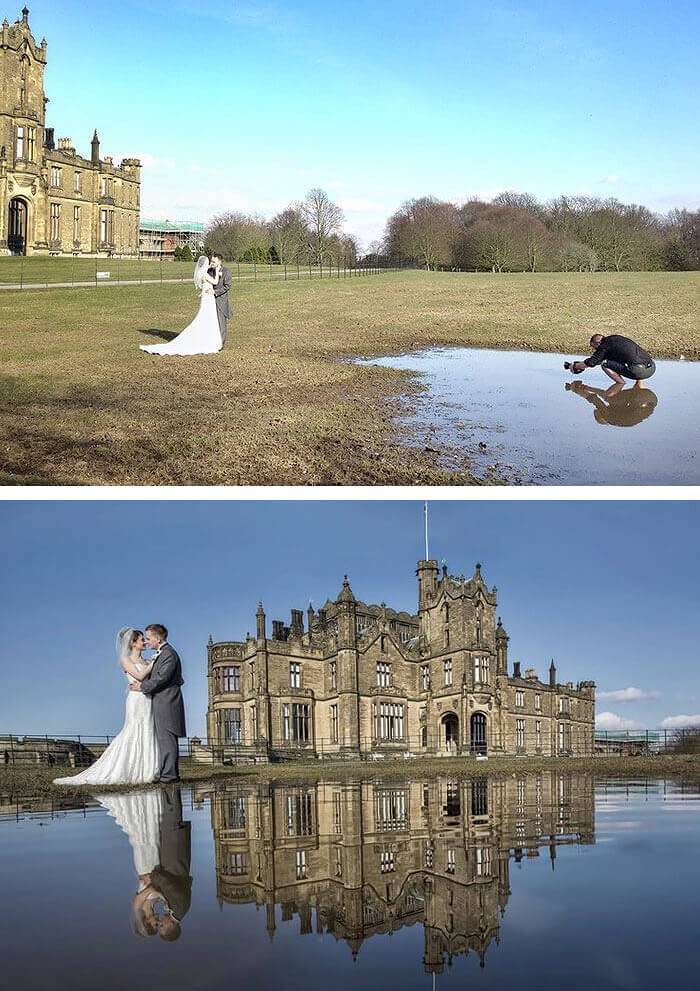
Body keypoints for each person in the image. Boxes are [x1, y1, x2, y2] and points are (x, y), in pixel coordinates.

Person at [53, 628, 160, 786]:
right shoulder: (126, 660)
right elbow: (140, 676)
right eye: (141, 639)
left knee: (148, 731)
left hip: (148, 699)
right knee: (133, 731)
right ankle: (127, 770)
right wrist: (154, 663)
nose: (145, 642)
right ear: (132, 643)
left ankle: (148, 771)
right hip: (136, 700)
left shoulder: (147, 662)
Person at [130, 624, 186, 784]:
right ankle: (167, 773)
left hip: (166, 701)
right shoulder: (163, 654)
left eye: (148, 638)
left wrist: (142, 686)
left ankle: (169, 776)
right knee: (164, 738)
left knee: (167, 737)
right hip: (163, 700)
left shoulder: (168, 654)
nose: (147, 642)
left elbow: (161, 678)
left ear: (157, 638)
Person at [139, 256, 223, 355]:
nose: (210, 264)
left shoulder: (201, 273)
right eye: (209, 262)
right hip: (208, 297)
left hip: (206, 296)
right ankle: (206, 340)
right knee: (207, 317)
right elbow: (215, 282)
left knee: (206, 317)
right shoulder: (205, 274)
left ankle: (207, 338)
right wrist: (217, 271)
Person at [568, 333, 655, 387]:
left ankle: (620, 385)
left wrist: (575, 366)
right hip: (651, 367)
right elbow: (607, 359)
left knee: (604, 364)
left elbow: (592, 362)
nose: (594, 350)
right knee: (631, 359)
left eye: (593, 346)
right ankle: (640, 387)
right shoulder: (615, 339)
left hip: (639, 371)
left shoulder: (603, 346)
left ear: (597, 343)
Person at [566, 380, 659, 427]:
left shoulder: (619, 416)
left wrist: (585, 387)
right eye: (597, 411)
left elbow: (602, 396)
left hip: (652, 400)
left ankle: (640, 375)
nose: (597, 409)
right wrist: (576, 390)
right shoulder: (608, 416)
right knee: (609, 397)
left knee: (613, 398)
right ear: (600, 415)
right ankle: (620, 382)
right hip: (638, 400)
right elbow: (595, 400)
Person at [209, 252, 233, 346]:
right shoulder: (209, 271)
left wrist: (215, 292)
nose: (212, 263)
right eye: (211, 261)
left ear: (219, 261)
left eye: (213, 261)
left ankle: (220, 344)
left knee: (221, 323)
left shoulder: (227, 272)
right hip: (209, 300)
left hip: (220, 301)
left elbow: (227, 286)